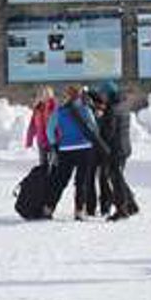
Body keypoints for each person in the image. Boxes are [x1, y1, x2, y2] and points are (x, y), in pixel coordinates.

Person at [44, 84, 107, 220]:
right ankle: (79, 211)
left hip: (65, 149)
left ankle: (49, 208)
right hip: (85, 148)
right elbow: (94, 128)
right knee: (81, 181)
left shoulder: (59, 111)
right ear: (79, 95)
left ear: (67, 96)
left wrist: (54, 144)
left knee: (60, 180)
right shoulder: (85, 109)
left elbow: (49, 130)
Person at [96, 80, 139, 221]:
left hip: (116, 149)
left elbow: (108, 132)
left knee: (115, 179)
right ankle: (131, 204)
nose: (101, 97)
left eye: (103, 94)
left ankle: (122, 209)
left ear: (108, 93)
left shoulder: (112, 109)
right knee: (119, 177)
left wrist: (100, 120)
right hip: (123, 147)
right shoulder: (122, 105)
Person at [24, 86, 57, 167]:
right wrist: (29, 140)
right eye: (41, 94)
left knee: (54, 166)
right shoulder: (37, 109)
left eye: (46, 93)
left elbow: (59, 124)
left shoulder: (54, 107)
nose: (43, 96)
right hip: (41, 142)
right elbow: (32, 125)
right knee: (43, 166)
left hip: (53, 141)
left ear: (50, 95)